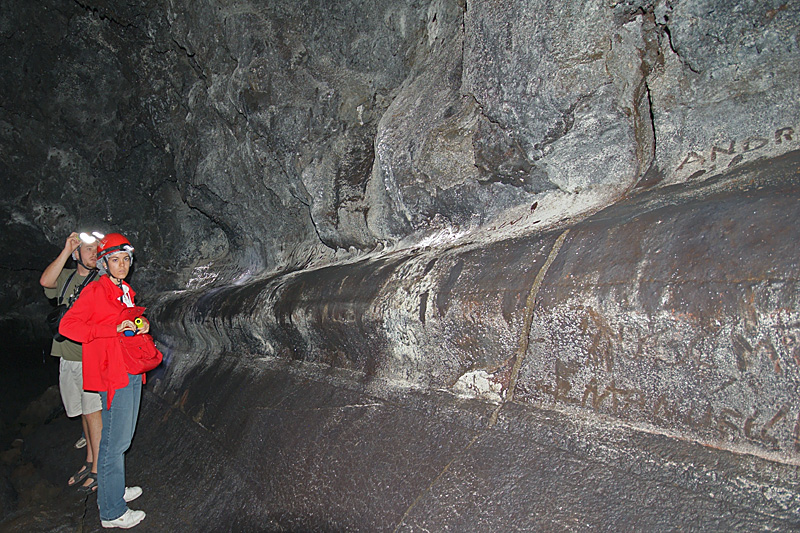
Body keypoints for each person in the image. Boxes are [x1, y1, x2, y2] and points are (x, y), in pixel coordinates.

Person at [59, 233, 147, 529]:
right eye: (114, 260)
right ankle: (112, 512)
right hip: (113, 373)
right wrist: (110, 328)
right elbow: (68, 324)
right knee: (114, 442)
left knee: (122, 439)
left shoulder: (124, 289)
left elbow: (126, 325)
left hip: (131, 367)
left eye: (125, 260)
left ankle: (115, 488)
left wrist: (139, 324)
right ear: (103, 262)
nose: (121, 265)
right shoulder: (96, 290)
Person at [39, 232, 103, 493]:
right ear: (77, 253)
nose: (93, 254)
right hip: (67, 354)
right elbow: (45, 280)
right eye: (87, 249)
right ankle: (89, 460)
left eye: (96, 249)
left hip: (90, 357)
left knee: (93, 412)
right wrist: (67, 249)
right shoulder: (66, 277)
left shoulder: (102, 278)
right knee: (83, 413)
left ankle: (99, 470)